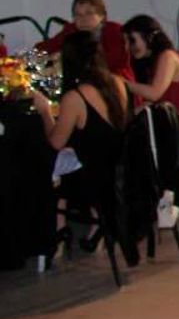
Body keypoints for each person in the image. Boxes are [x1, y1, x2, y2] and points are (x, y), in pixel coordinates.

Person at [30, 31, 134, 258]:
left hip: (93, 178)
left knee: (46, 166)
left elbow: (55, 142)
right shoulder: (117, 83)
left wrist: (45, 111)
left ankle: (57, 233)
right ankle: (93, 228)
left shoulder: (76, 97)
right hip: (122, 170)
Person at [122, 15, 179, 152]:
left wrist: (121, 83)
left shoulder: (168, 57)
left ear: (149, 36)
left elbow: (154, 93)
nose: (129, 47)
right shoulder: (154, 63)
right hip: (172, 127)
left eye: (132, 40)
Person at [36, 0, 135, 82]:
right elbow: (43, 48)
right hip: (82, 82)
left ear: (102, 16)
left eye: (89, 13)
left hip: (115, 83)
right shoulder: (71, 30)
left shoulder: (114, 31)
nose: (83, 19)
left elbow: (114, 62)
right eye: (77, 15)